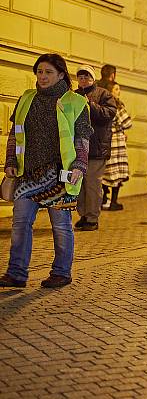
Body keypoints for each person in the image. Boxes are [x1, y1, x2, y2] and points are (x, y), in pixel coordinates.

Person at [1, 54, 92, 288]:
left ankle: (61, 272)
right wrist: (10, 159)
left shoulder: (76, 102)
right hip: (27, 173)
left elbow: (82, 139)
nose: (42, 76)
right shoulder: (26, 98)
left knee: (61, 226)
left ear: (61, 74)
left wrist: (79, 166)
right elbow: (15, 133)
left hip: (60, 175)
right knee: (20, 223)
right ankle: (16, 274)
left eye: (48, 72)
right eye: (39, 72)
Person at [74, 65, 117, 231]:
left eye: (87, 77)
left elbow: (109, 114)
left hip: (96, 148)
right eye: (81, 77)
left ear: (93, 78)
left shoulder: (103, 94)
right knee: (79, 185)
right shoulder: (74, 95)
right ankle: (83, 215)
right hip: (77, 148)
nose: (83, 80)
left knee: (92, 184)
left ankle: (92, 218)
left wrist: (90, 105)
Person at [101, 81, 133, 211]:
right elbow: (127, 122)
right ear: (111, 91)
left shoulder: (101, 103)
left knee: (106, 172)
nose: (118, 91)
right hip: (116, 143)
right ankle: (113, 201)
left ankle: (103, 199)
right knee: (116, 172)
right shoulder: (116, 105)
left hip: (106, 140)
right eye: (116, 89)